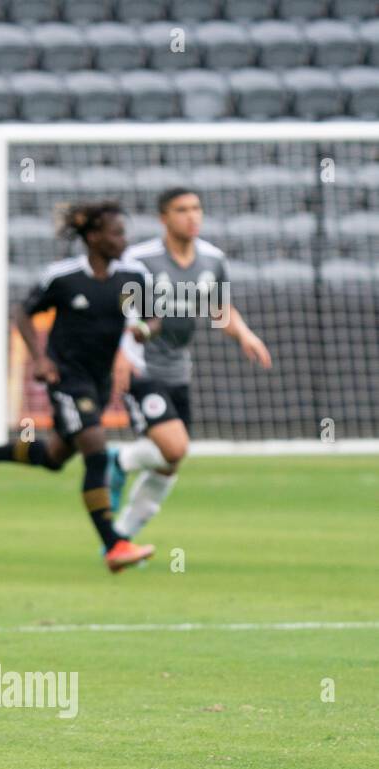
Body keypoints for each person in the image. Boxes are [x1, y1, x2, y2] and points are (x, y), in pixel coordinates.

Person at [0, 200, 156, 573]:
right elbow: (23, 312)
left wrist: (144, 329)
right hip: (65, 378)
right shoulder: (63, 277)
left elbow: (153, 316)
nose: (123, 239)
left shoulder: (133, 276)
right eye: (116, 232)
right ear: (94, 237)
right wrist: (41, 359)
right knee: (96, 449)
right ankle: (114, 544)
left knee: (54, 458)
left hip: (99, 379)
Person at [108, 188, 274, 537]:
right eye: (182, 209)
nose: (192, 216)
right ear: (163, 218)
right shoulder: (140, 260)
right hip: (142, 367)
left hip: (178, 369)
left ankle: (121, 535)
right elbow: (117, 312)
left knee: (170, 461)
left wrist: (244, 333)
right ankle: (119, 460)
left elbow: (219, 310)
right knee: (175, 447)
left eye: (197, 208)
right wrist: (120, 353)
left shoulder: (212, 259)